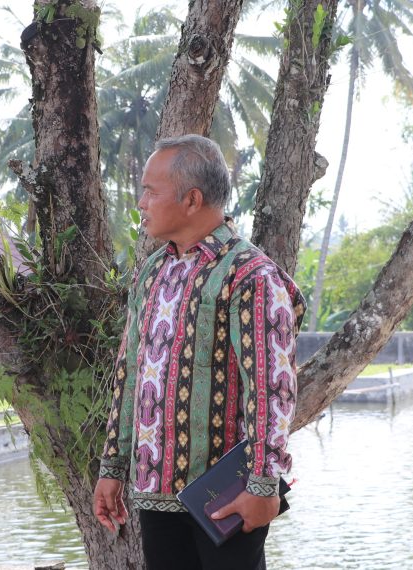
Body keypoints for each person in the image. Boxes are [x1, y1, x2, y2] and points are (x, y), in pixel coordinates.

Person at [93, 134, 305, 569]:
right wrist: (112, 468)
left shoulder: (251, 275)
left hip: (226, 498)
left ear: (192, 199)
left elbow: (271, 388)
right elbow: (130, 373)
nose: (141, 202)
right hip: (155, 493)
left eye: (151, 191)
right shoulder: (153, 271)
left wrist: (264, 484)